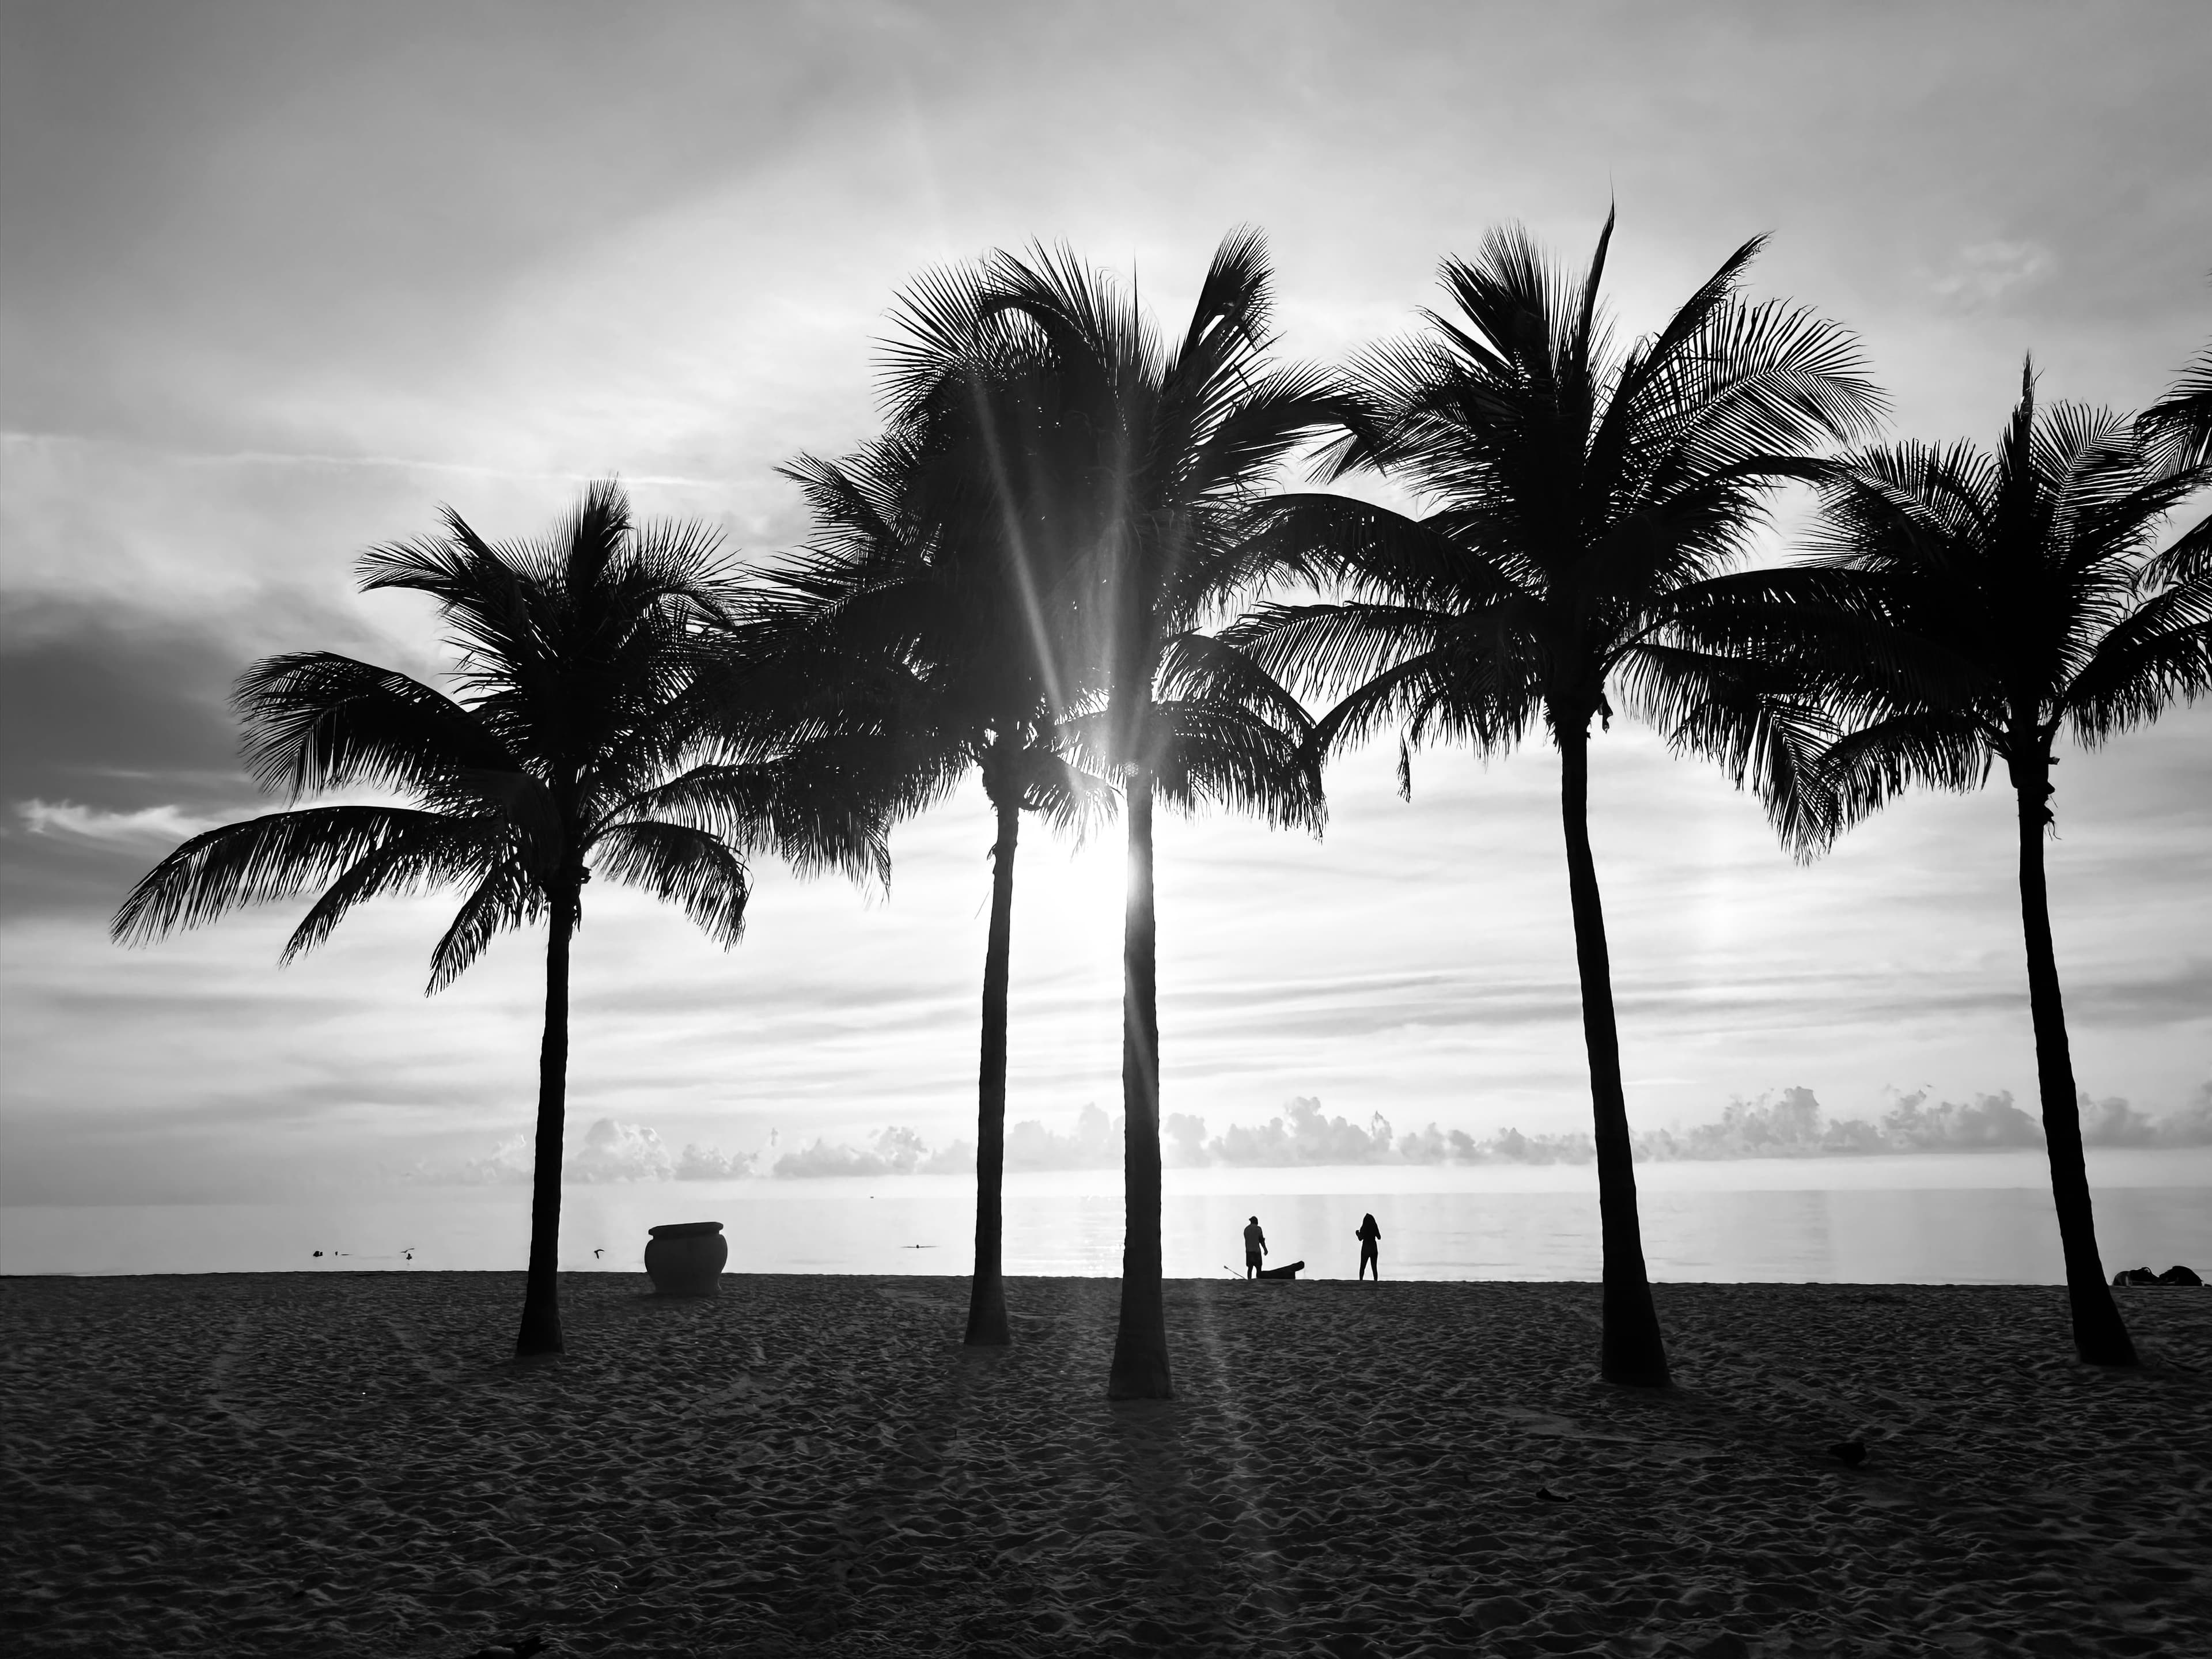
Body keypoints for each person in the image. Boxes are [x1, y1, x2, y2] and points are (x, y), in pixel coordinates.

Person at [1355, 1212, 1381, 1281]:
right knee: (1374, 1267)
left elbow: (1360, 1238)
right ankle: (1376, 1281)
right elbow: (1379, 1237)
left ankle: (1361, 1280)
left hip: (1366, 1247)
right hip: (1373, 1247)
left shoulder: (1364, 1227)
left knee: (1362, 1266)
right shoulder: (1374, 1227)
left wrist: (1357, 1233)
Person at [1243, 1215, 1267, 1279]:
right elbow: (1261, 1240)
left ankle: (1249, 1280)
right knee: (1259, 1268)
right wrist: (1265, 1249)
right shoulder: (1258, 1229)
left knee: (1250, 1268)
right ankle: (1258, 1280)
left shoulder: (1246, 1229)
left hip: (1249, 1251)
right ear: (1256, 1222)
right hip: (1257, 1251)